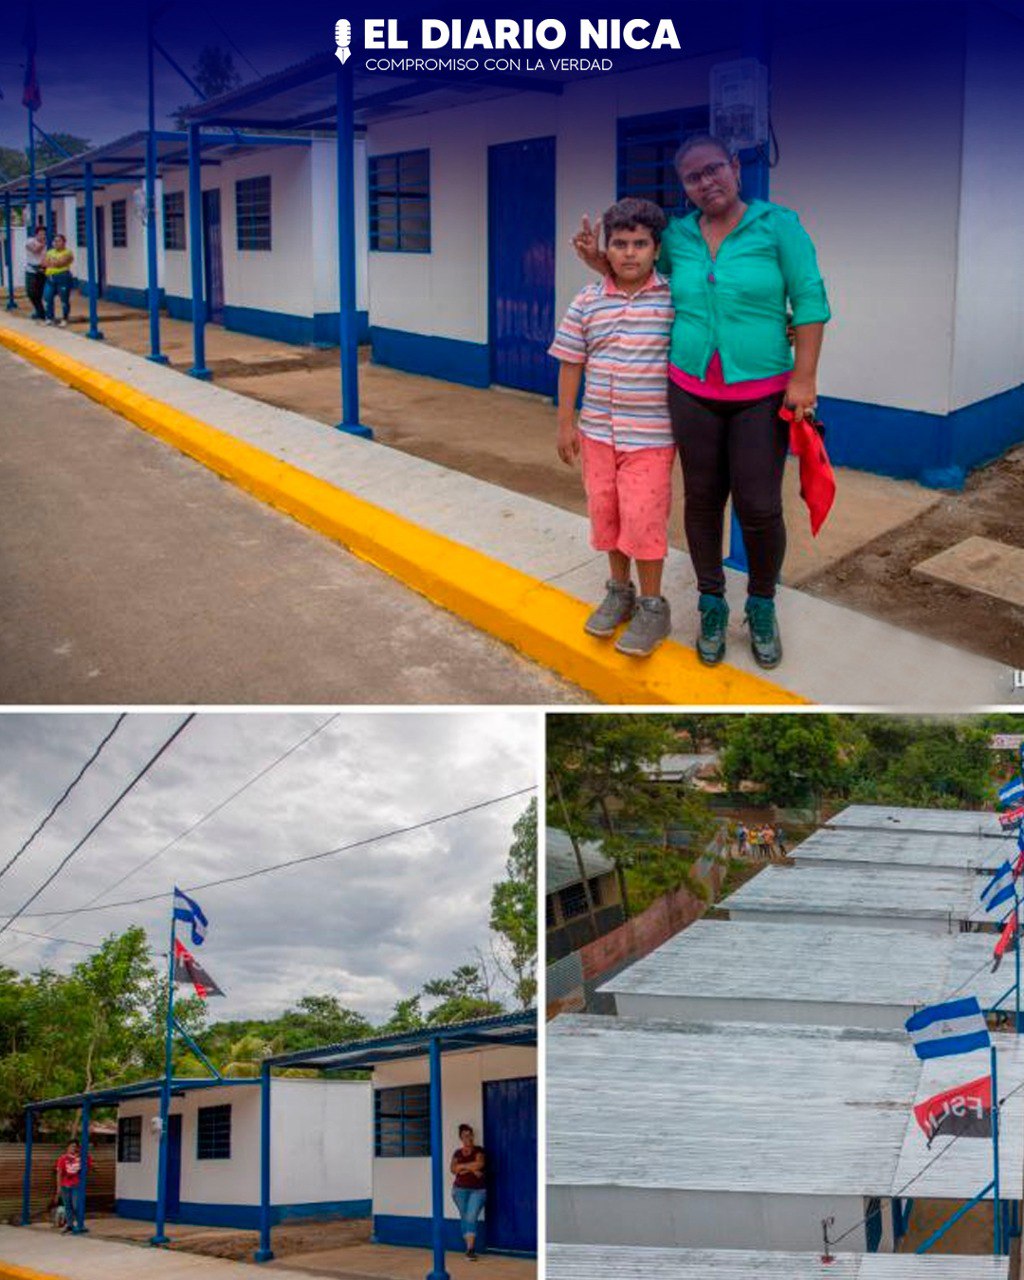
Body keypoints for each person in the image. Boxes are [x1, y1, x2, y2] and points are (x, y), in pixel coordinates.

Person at [574, 134, 830, 668]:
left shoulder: (778, 225)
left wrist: (803, 377)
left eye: (714, 169)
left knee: (759, 506)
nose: (706, 182)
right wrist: (601, 262)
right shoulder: (680, 236)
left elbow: (808, 299)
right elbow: (638, 274)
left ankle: (761, 604)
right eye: (692, 177)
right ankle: (711, 602)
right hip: (690, 390)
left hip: (761, 394)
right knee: (703, 501)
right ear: (683, 186)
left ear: (735, 167)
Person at [550, 197, 676, 657]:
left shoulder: (672, 299)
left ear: (656, 249)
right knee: (607, 513)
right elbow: (570, 362)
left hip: (652, 438)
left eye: (639, 244)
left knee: (644, 519)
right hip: (598, 433)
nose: (628, 253)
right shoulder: (588, 300)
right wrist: (567, 424)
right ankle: (619, 593)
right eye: (619, 244)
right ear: (608, 249)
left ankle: (652, 606)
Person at [450, 1122, 486, 1260]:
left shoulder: (479, 1151)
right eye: (465, 1136)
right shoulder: (457, 1153)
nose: (469, 1138)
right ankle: (468, 1249)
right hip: (459, 1190)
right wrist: (471, 1169)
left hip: (478, 1191)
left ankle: (470, 1250)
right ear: (461, 1138)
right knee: (465, 1217)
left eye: (470, 1135)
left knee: (470, 1217)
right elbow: (453, 1169)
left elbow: (480, 1164)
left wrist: (463, 1168)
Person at [54, 1139, 92, 1233]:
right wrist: (58, 1187)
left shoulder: (79, 1158)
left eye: (75, 1147)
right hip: (64, 1186)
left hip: (75, 1185)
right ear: (67, 1147)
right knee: (68, 1206)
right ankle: (70, 1225)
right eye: (71, 1146)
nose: (73, 1148)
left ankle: (80, 1225)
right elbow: (59, 1173)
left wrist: (81, 1150)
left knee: (76, 1206)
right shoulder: (62, 1158)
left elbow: (88, 1162)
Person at [43, 233, 75, 327]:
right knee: (47, 297)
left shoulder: (68, 252)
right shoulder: (50, 252)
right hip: (50, 278)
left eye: (58, 241)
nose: (56, 243)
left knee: (64, 300)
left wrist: (51, 262)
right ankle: (49, 318)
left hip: (63, 277)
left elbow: (61, 263)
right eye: (55, 241)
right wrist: (53, 262)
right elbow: (44, 263)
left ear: (64, 242)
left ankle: (65, 318)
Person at [25, 223, 47, 321]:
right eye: (41, 233)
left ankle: (40, 313)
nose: (42, 235)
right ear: (36, 234)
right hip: (31, 270)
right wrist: (42, 244)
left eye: (44, 234)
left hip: (41, 270)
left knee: (39, 293)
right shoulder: (30, 241)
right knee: (31, 292)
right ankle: (40, 311)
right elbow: (35, 250)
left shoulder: (45, 245)